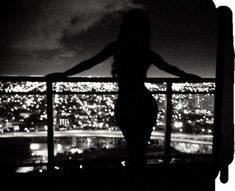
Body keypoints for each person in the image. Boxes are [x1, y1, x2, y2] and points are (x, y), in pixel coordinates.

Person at [47, 8, 201, 188]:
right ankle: (139, 181)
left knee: (133, 149)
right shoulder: (146, 52)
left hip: (126, 103)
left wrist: (65, 74)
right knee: (140, 150)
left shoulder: (117, 47)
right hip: (144, 103)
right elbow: (172, 69)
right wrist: (188, 76)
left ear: (125, 27)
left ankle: (134, 181)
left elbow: (89, 62)